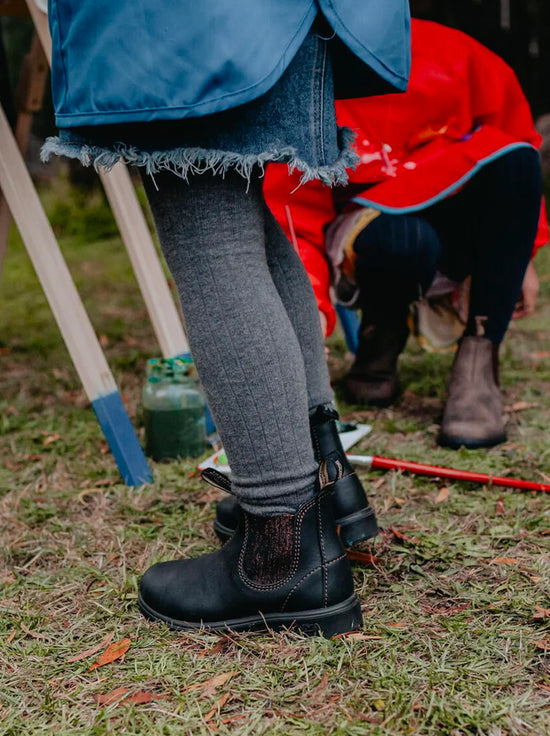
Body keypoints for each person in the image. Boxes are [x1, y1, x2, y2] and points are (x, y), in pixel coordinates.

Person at [43, 2, 411, 636]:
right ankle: (324, 484)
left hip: (196, 20)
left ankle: (282, 551)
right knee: (244, 226)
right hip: (284, 17)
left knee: (210, 233)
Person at [263, 18, 549, 450]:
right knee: (402, 237)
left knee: (518, 159)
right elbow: (295, 207)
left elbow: (513, 148)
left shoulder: (461, 53)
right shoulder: (309, 67)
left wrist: (525, 253)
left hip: (457, 228)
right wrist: (310, 312)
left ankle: (478, 358)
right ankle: (382, 333)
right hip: (373, 234)